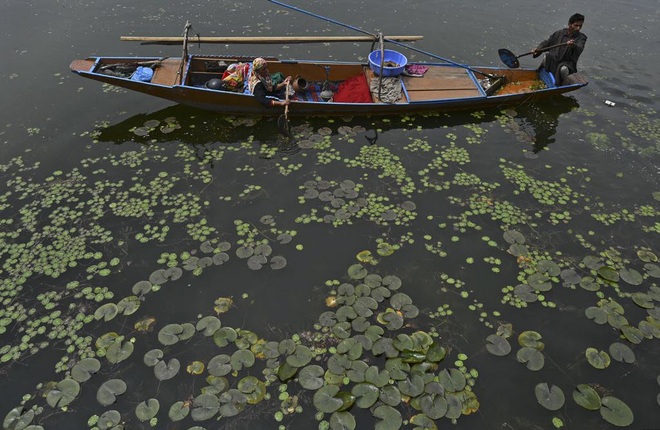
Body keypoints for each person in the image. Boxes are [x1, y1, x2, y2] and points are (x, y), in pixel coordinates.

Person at [532, 13, 587, 85]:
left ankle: (562, 83)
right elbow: (547, 42)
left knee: (563, 69)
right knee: (547, 57)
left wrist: (573, 45)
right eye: (576, 25)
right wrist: (538, 49)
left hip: (567, 63)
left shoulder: (581, 38)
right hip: (554, 60)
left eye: (580, 26)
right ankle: (542, 76)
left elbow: (580, 48)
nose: (578, 28)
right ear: (569, 24)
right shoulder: (559, 33)